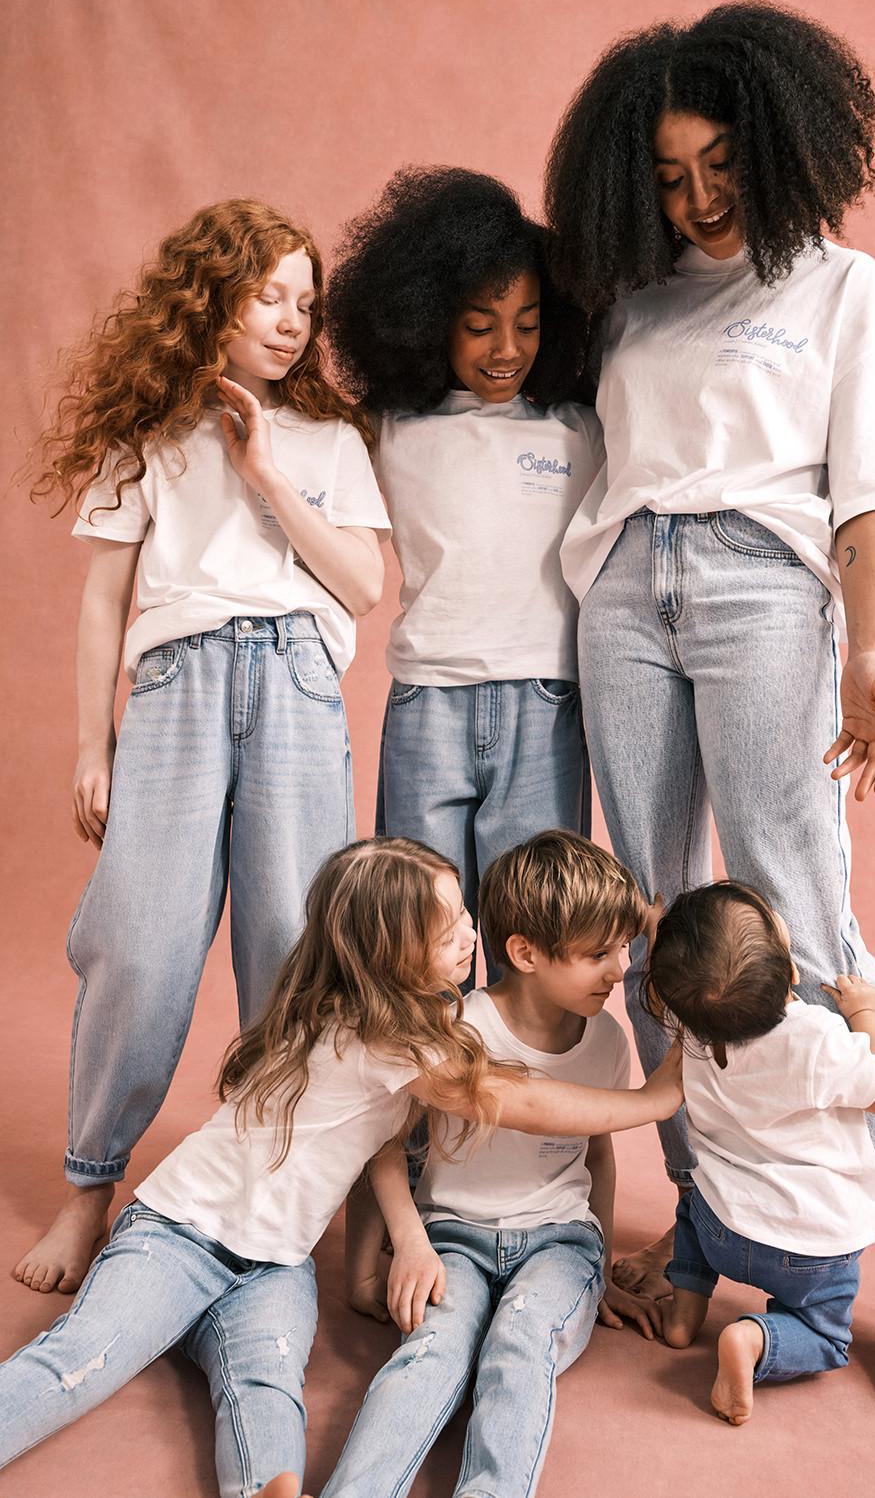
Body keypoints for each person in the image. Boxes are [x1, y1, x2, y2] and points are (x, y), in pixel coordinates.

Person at [543, 2, 875, 1435]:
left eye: (719, 162)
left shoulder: (838, 287)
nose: (696, 197)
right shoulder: (634, 293)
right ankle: (707, 1237)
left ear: (777, 143)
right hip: (625, 596)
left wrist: (871, 651)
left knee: (809, 926)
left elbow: (869, 495)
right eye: (666, 175)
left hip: (759, 591)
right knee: (657, 929)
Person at [0, 838, 685, 1495]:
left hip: (277, 1261)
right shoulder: (385, 1033)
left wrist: (402, 1244)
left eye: (465, 918)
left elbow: (379, 1141)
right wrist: (651, 1102)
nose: (472, 937)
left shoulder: (413, 1025)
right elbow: (512, 1099)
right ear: (394, 955)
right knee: (79, 1363)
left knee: (267, 1385)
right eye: (451, 932)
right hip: (180, 1234)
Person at [14, 199, 390, 1298]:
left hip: (297, 688)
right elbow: (102, 605)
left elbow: (363, 587)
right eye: (266, 294)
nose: (288, 321)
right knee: (139, 938)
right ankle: (93, 1182)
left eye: (303, 303)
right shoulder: (148, 438)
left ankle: (274, 1176)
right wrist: (96, 744)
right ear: (209, 295)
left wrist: (270, 473)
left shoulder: (327, 438)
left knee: (292, 942)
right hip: (177, 687)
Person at [319, 831, 658, 1498]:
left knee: (520, 1346)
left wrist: (600, 1269)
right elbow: (384, 1140)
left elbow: (599, 1153)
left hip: (561, 1241)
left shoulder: (609, 1042)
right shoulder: (458, 1031)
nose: (620, 969)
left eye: (623, 948)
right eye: (599, 954)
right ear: (525, 953)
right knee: (432, 1353)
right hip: (455, 1238)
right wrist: (393, 1252)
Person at [324, 167, 603, 980]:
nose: (507, 349)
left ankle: (529, 1109)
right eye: (480, 325)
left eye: (526, 323)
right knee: (415, 945)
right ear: (426, 323)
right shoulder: (388, 429)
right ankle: (430, 1110)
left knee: (536, 940)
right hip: (426, 710)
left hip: (547, 707)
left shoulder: (577, 428)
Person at [644, 881, 875, 1424]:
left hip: (721, 1230)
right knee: (828, 1336)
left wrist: (655, 936)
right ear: (791, 974)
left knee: (692, 1204)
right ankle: (755, 1342)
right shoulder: (817, 1039)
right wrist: (867, 1016)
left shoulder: (690, 1033)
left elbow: (679, 990)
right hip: (811, 1251)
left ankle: (685, 1311)